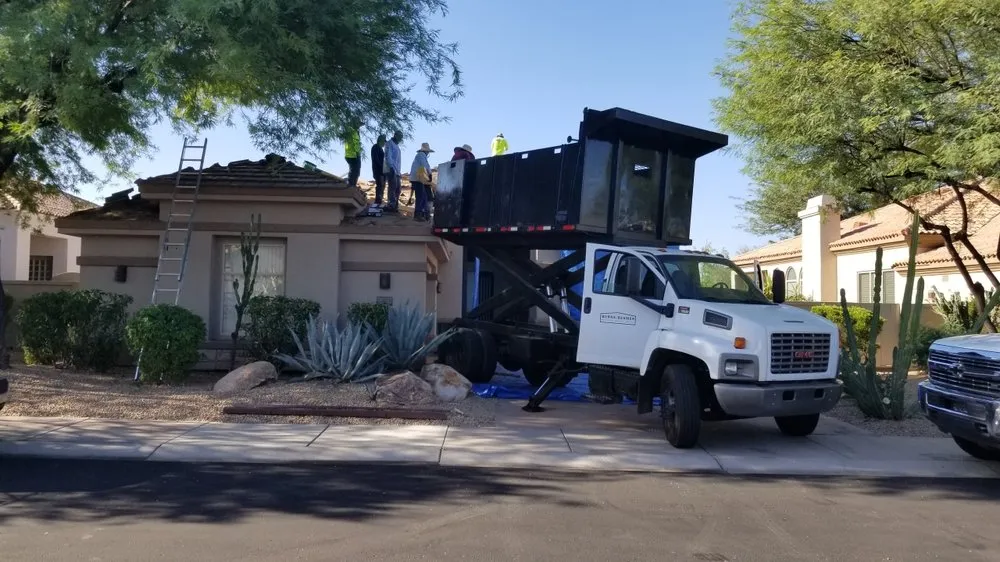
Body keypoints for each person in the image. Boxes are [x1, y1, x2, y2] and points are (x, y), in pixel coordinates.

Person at [409, 143, 434, 222]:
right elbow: (425, 165)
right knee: (421, 196)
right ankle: (418, 214)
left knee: (422, 196)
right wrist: (429, 174)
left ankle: (421, 213)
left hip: (417, 178)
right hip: (417, 178)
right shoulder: (421, 155)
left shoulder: (420, 155)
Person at [384, 130, 403, 213]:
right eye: (399, 136)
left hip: (397, 171)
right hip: (391, 169)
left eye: (401, 137)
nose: (400, 138)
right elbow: (388, 156)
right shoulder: (389, 143)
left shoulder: (397, 147)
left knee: (398, 189)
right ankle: (391, 204)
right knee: (392, 187)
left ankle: (395, 205)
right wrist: (391, 167)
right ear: (395, 135)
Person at [370, 134, 386, 205]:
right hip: (378, 170)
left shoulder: (381, 149)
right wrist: (381, 167)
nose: (384, 143)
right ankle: (377, 201)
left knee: (382, 186)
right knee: (379, 185)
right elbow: (375, 159)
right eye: (383, 141)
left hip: (382, 171)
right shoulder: (375, 147)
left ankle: (379, 200)